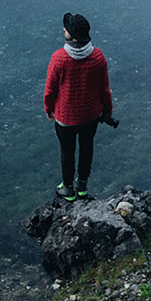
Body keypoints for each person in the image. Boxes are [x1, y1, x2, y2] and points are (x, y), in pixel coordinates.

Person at [43, 11, 113, 199]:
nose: (63, 29)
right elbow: (104, 89)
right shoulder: (97, 57)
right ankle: (82, 186)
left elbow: (50, 90)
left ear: (72, 35)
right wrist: (107, 110)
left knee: (67, 151)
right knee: (86, 148)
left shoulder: (59, 58)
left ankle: (67, 189)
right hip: (90, 116)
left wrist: (48, 109)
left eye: (66, 28)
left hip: (65, 117)